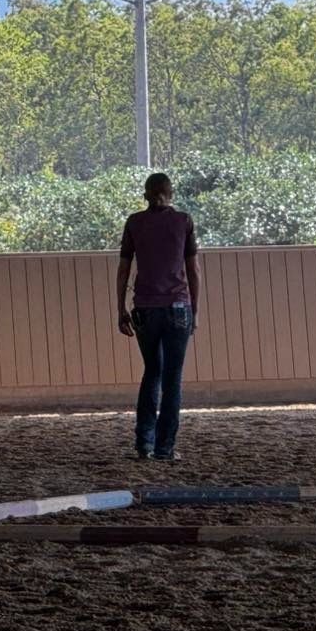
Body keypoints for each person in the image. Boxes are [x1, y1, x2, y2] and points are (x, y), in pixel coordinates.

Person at [116, 172, 201, 462]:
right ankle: (165, 448)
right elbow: (193, 271)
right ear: (171, 193)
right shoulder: (183, 222)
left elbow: (124, 268)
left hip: (145, 307)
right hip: (178, 306)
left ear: (146, 194)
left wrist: (120, 308)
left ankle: (143, 443)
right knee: (172, 378)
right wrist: (195, 310)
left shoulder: (134, 223)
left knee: (151, 372)